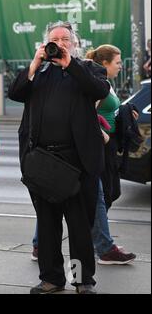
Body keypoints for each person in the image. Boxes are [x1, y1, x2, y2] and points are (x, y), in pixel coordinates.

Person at [9, 21, 110, 294]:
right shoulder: (38, 72)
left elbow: (99, 90)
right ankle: (52, 278)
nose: (60, 43)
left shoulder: (87, 69)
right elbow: (15, 93)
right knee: (48, 228)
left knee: (79, 230)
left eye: (65, 39)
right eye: (54, 39)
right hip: (43, 163)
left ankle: (81, 280)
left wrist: (69, 64)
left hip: (78, 165)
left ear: (75, 43)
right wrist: (34, 62)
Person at [86, 44, 137, 264]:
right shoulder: (98, 84)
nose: (120, 66)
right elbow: (85, 113)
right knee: (102, 196)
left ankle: (101, 242)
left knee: (106, 194)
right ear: (105, 63)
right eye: (117, 62)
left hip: (106, 146)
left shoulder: (105, 82)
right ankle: (103, 245)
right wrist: (103, 136)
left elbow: (110, 109)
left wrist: (125, 112)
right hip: (99, 147)